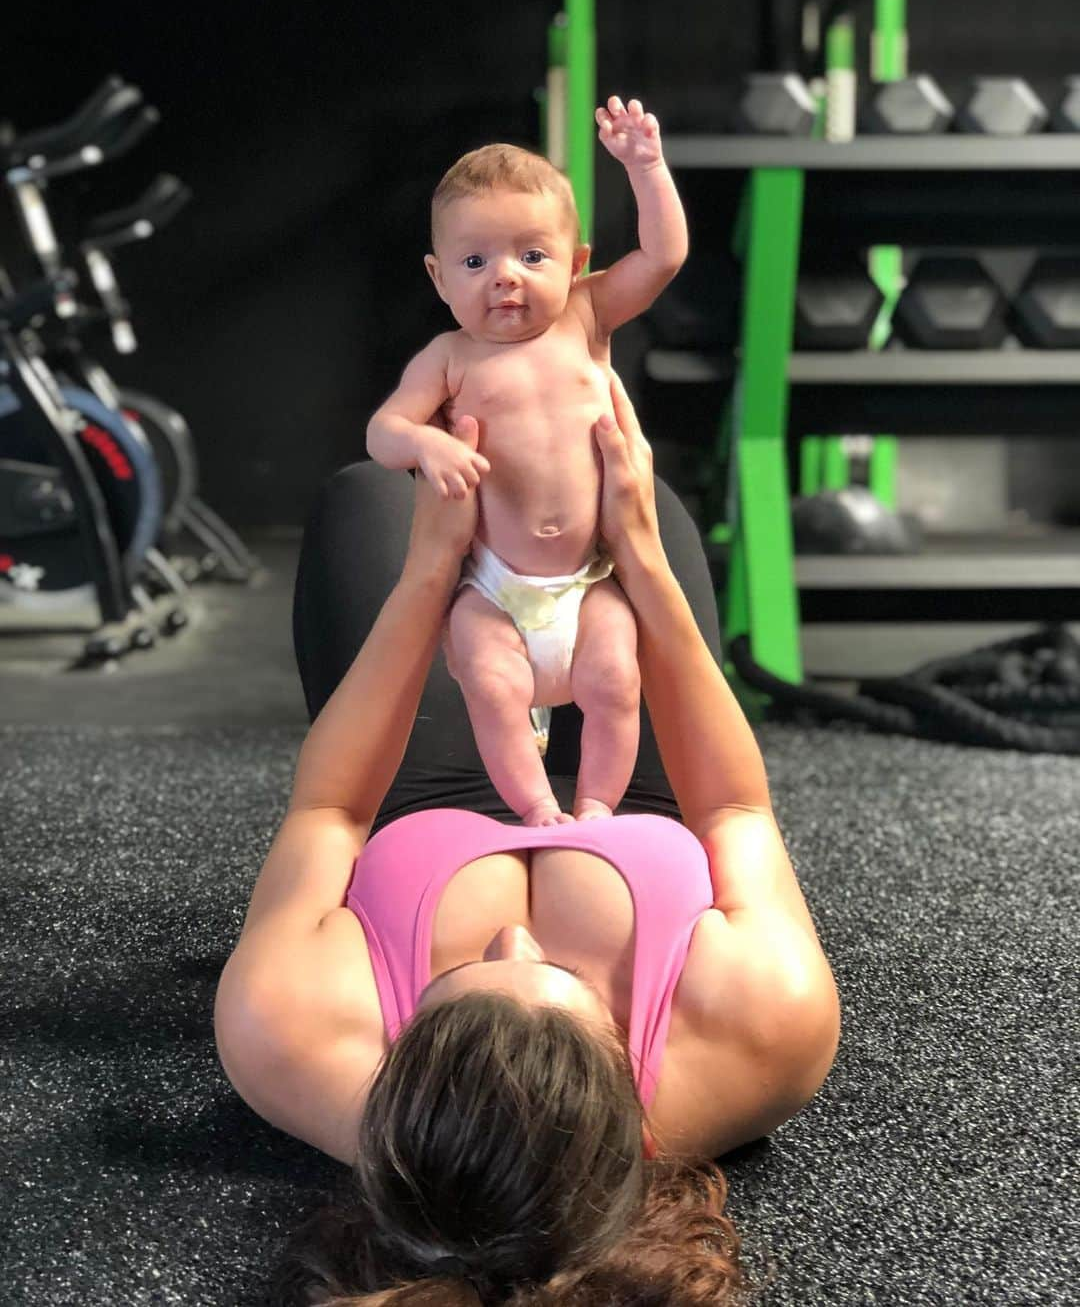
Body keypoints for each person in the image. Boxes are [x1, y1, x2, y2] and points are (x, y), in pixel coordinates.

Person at [214, 374, 841, 1305]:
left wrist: (431, 576)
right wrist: (640, 557)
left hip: (421, 807)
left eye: (455, 983)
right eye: (569, 979)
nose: (514, 938)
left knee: (366, 499)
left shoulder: (288, 1033)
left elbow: (331, 813)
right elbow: (735, 814)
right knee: (641, 502)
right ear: (626, 1080)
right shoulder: (767, 1027)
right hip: (643, 807)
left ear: (401, 1060)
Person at [365, 96, 688, 826]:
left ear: (575, 266)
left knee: (614, 676)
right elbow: (383, 432)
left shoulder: (585, 315)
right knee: (487, 676)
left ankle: (597, 808)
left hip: (590, 577)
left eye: (531, 255)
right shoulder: (449, 358)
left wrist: (646, 166)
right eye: (475, 261)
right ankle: (539, 809)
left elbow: (663, 256)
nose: (504, 277)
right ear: (439, 278)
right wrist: (425, 442)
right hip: (494, 588)